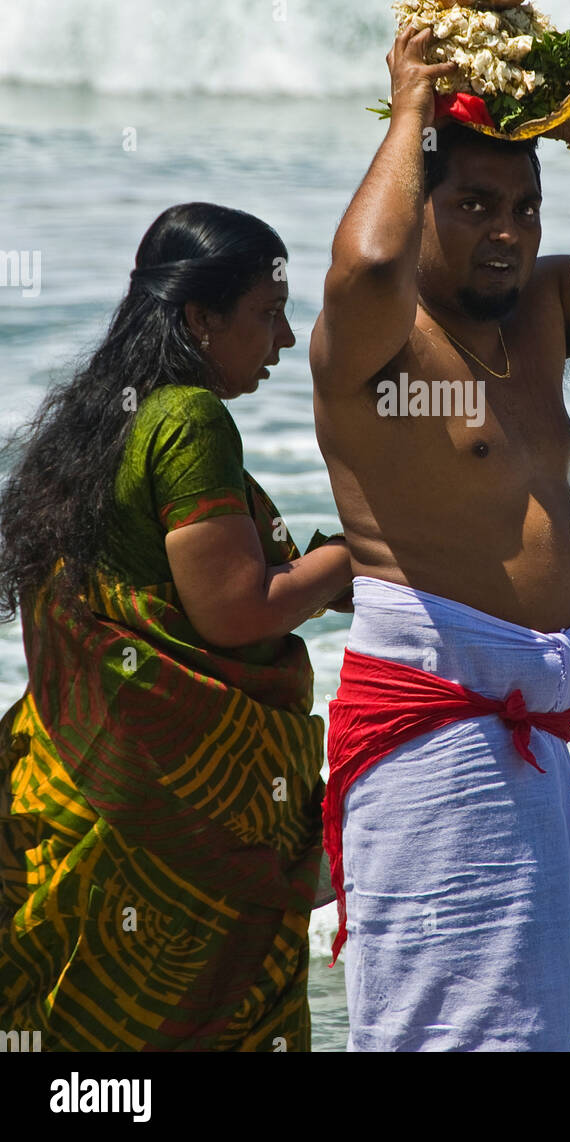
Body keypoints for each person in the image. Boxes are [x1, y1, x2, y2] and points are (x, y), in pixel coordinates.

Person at [311, 25, 570, 1052]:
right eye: (470, 206)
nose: (504, 232)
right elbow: (366, 260)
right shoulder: (373, 335)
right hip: (433, 726)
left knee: (525, 1032)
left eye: (523, 208)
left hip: (529, 734)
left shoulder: (545, 309)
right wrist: (412, 103)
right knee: (437, 1030)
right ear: (415, 204)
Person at [0, 202, 352, 1052]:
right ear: (200, 317)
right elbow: (234, 612)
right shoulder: (189, 417)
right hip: (159, 809)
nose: (281, 339)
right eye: (268, 314)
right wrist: (350, 559)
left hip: (75, 778)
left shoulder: (97, 422)